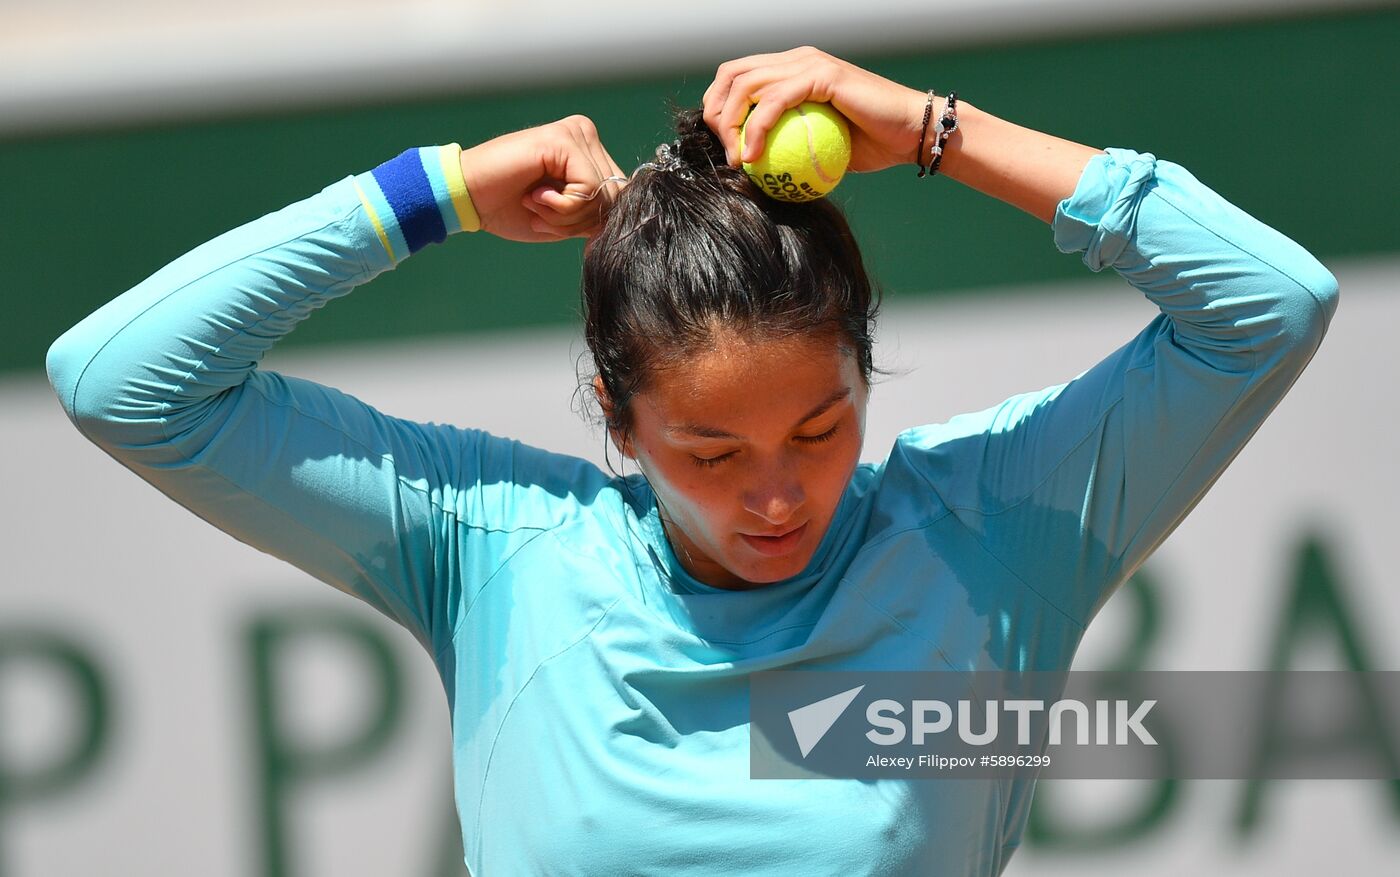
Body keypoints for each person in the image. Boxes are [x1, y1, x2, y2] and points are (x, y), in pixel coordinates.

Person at [46, 47, 1337, 877]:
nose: (777, 493)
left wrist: (934, 129)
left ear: (863, 376)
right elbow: (122, 382)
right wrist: (430, 190)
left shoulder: (987, 535)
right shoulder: (494, 547)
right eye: (711, 451)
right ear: (619, 417)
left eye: (821, 431)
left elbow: (1267, 304)